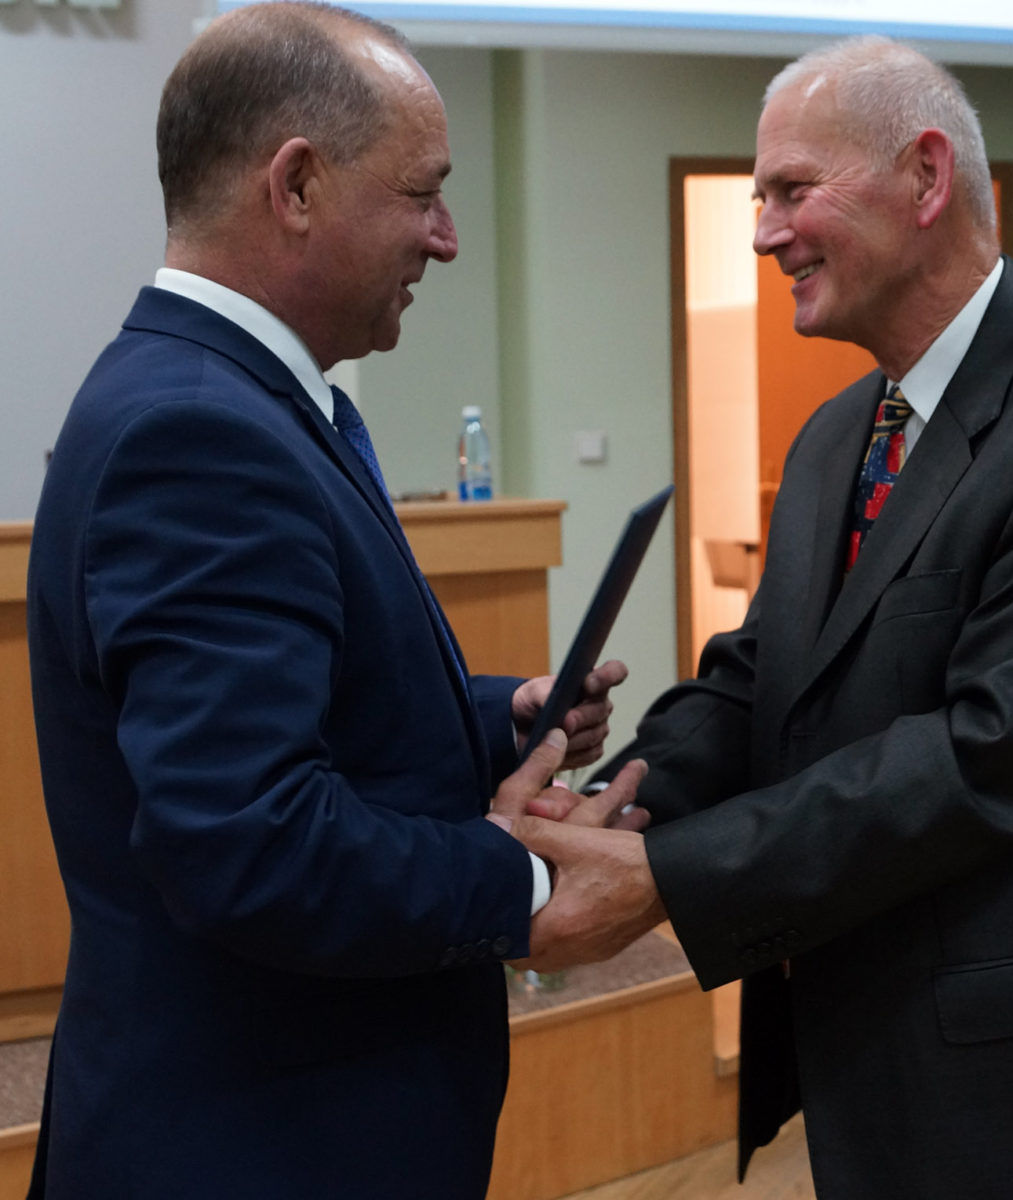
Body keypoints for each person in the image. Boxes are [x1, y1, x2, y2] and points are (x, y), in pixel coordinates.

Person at [512, 35, 1013, 1199]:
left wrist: (671, 877)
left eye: (790, 190)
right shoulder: (834, 438)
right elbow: (759, 678)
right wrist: (620, 799)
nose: (763, 233)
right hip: (863, 1056)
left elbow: (991, 754)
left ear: (924, 178)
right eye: (758, 198)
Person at [24, 4, 645, 1197]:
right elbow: (249, 842)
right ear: (297, 185)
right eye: (424, 194)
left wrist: (493, 720)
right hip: (258, 1146)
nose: (446, 239)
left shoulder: (239, 398)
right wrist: (525, 884)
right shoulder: (197, 432)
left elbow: (297, 705)